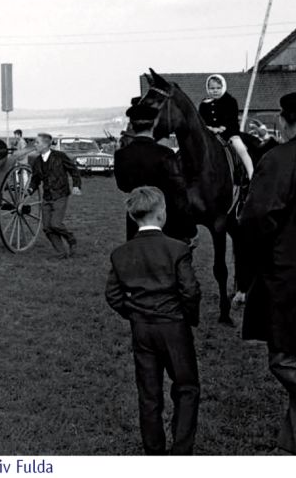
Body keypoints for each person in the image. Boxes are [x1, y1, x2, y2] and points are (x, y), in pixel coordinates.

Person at [238, 91, 296, 455]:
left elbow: (255, 222)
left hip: (294, 282)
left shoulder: (280, 158)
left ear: (284, 120)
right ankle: (292, 452)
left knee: (288, 360)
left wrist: (245, 279)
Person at [105, 186, 201, 455]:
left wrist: (134, 314)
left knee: (148, 394)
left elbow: (112, 294)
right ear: (162, 214)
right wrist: (189, 318)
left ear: (134, 216)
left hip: (142, 329)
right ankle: (181, 452)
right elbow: (190, 290)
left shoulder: (121, 253)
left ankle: (154, 453)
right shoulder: (177, 249)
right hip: (174, 327)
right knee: (187, 388)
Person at [114, 104, 197, 243]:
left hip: (137, 215)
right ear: (154, 124)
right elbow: (179, 192)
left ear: (132, 126)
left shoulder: (121, 154)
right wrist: (191, 230)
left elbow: (122, 185)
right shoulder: (165, 154)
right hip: (164, 217)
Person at [28, 133, 82, 259]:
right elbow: (35, 180)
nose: (35, 145)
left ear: (46, 144)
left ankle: (71, 238)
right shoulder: (37, 161)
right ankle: (61, 253)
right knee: (47, 228)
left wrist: (76, 185)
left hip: (60, 194)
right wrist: (30, 189)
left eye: (37, 142)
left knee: (56, 224)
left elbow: (74, 171)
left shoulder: (60, 156)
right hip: (47, 197)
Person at [198, 74, 254, 179]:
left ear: (223, 87)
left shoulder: (230, 101)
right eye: (212, 88)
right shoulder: (204, 104)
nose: (215, 91)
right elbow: (201, 121)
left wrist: (221, 128)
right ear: (207, 88)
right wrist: (208, 128)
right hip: (209, 134)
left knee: (241, 149)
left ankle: (251, 174)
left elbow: (231, 119)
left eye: (218, 88)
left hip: (229, 133)